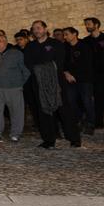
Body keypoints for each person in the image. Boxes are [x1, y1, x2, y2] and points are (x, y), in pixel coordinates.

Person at [24, 21, 80, 149]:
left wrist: (41, 68)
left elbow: (59, 62)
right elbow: (28, 64)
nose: (36, 30)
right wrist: (40, 69)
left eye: (39, 28)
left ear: (45, 29)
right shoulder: (30, 47)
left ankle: (74, 139)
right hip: (39, 84)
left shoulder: (56, 44)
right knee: (44, 112)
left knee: (64, 111)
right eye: (34, 29)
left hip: (57, 84)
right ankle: (49, 140)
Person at [0, 31, 28, 143]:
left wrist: (19, 83)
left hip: (13, 88)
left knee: (16, 112)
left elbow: (25, 70)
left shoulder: (16, 54)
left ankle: (15, 133)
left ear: (5, 42)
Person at [62, 27, 95, 135]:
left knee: (87, 101)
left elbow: (88, 64)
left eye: (66, 34)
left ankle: (90, 123)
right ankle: (79, 121)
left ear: (74, 34)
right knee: (71, 102)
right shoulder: (64, 47)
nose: (65, 37)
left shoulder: (84, 46)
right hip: (69, 79)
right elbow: (62, 63)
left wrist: (76, 75)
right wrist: (66, 73)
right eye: (64, 35)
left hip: (84, 79)